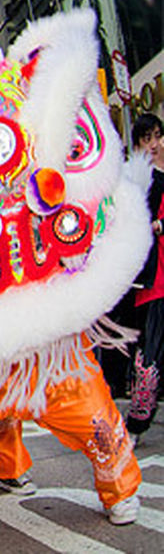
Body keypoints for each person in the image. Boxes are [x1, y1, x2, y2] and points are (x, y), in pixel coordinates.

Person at [126, 113, 164, 444]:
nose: (153, 144)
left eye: (156, 136)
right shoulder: (137, 176)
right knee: (149, 355)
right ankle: (136, 424)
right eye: (146, 139)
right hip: (154, 274)